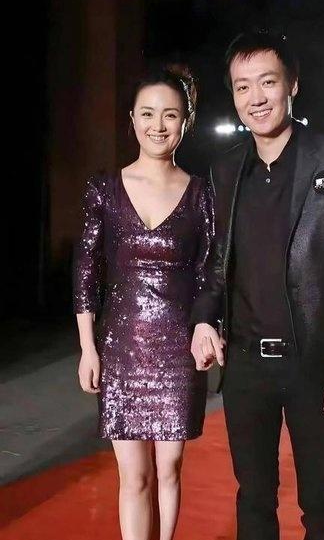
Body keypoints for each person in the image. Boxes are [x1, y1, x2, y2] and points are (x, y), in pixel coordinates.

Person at [190, 31, 324, 540]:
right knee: (253, 499)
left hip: (313, 365)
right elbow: (215, 263)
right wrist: (204, 319)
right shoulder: (225, 169)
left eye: (267, 82)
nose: (256, 97)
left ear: (292, 84)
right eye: (242, 86)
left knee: (320, 502)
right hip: (245, 367)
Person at [73, 66, 213, 540]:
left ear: (185, 122)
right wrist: (88, 348)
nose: (158, 125)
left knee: (169, 470)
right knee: (133, 476)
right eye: (148, 113)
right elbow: (86, 271)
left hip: (178, 351)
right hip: (121, 350)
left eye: (170, 115)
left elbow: (208, 273)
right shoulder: (104, 189)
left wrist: (208, 329)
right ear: (131, 119)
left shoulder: (202, 194)